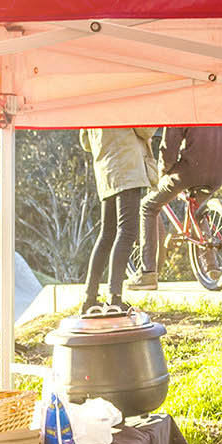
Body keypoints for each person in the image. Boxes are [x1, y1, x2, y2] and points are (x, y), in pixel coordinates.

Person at [130, 126, 222, 291]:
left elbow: (168, 149)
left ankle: (147, 273)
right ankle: (212, 268)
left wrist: (162, 173)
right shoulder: (218, 110)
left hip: (190, 171)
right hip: (220, 171)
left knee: (147, 207)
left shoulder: (181, 109)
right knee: (198, 210)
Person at [82, 127, 157, 309]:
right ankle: (114, 298)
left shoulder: (89, 102)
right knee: (127, 231)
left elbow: (85, 143)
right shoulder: (122, 100)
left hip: (106, 172)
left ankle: (89, 298)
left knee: (107, 235)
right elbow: (145, 130)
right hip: (127, 167)